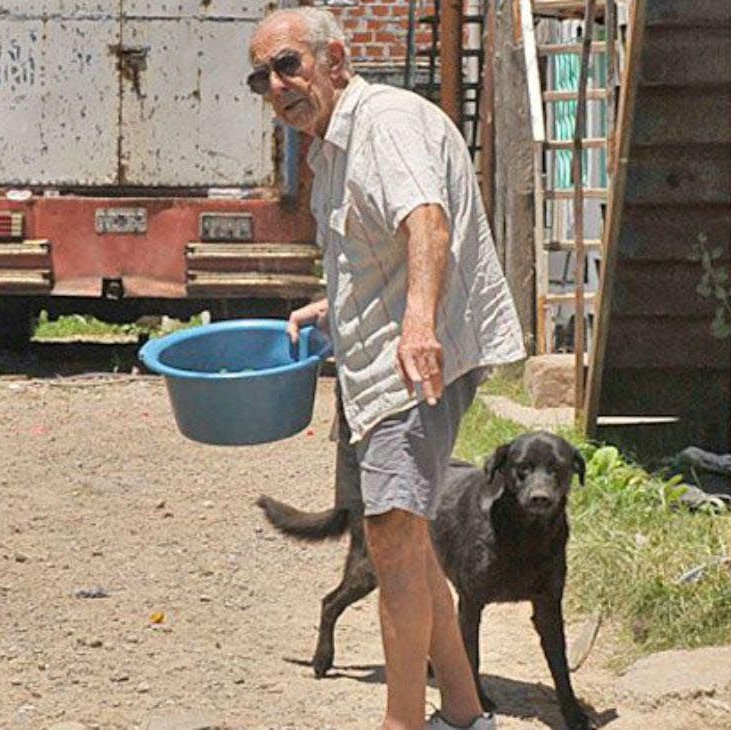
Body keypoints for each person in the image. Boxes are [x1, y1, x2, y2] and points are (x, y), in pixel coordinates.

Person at [247, 8, 526, 730]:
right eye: (262, 77)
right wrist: (332, 306)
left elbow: (425, 223)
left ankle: (403, 722)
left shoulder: (385, 122)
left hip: (415, 365)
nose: (276, 87)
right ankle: (465, 715)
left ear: (335, 58)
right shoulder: (331, 147)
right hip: (385, 364)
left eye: (287, 65)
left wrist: (420, 322)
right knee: (408, 539)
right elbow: (375, 248)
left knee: (394, 537)